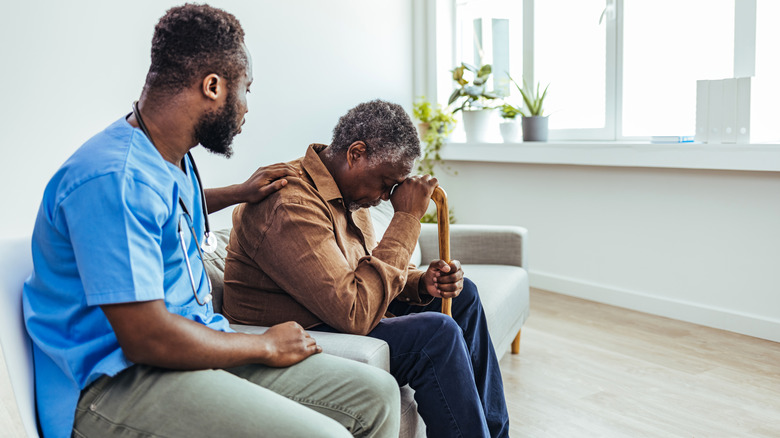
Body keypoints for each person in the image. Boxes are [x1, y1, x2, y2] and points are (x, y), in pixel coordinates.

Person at [22, 5, 400, 438]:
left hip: (195, 348)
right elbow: (146, 338)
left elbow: (161, 212)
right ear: (213, 86)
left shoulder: (166, 157)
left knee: (377, 393)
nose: (246, 109)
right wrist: (263, 344)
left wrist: (237, 193)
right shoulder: (113, 178)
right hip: (114, 384)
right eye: (247, 90)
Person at [222, 99, 510, 438]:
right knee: (436, 334)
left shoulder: (350, 195)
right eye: (386, 182)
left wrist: (421, 283)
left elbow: (364, 275)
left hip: (336, 310)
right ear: (355, 153)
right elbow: (355, 311)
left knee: (465, 296)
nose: (387, 196)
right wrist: (406, 219)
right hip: (305, 328)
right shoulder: (289, 202)